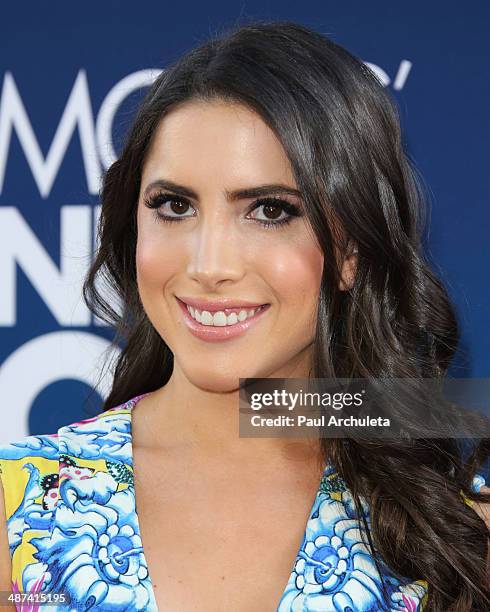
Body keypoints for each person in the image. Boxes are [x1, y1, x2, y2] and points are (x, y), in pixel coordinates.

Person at [0, 20, 489, 611]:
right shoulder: (20, 505)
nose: (209, 266)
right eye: (174, 206)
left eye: (270, 210)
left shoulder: (453, 529)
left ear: (352, 251)